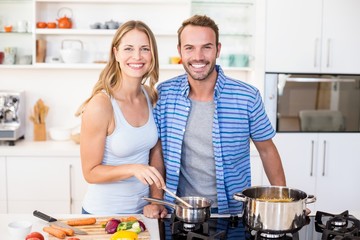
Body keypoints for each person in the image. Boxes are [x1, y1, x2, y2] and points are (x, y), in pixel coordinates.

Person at [144, 15, 286, 217]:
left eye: (206, 47)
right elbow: (157, 153)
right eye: (190, 48)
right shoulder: (165, 93)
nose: (198, 56)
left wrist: (283, 203)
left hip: (232, 212)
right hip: (177, 210)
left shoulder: (247, 96)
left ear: (218, 50)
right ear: (180, 52)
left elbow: (267, 151)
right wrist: (157, 200)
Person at [75, 20, 165, 215]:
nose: (137, 56)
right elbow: (90, 172)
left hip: (142, 213)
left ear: (153, 55)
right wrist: (134, 168)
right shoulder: (102, 105)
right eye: (128, 49)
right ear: (116, 53)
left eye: (145, 49)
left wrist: (156, 202)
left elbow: (155, 153)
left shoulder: (150, 96)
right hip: (103, 215)